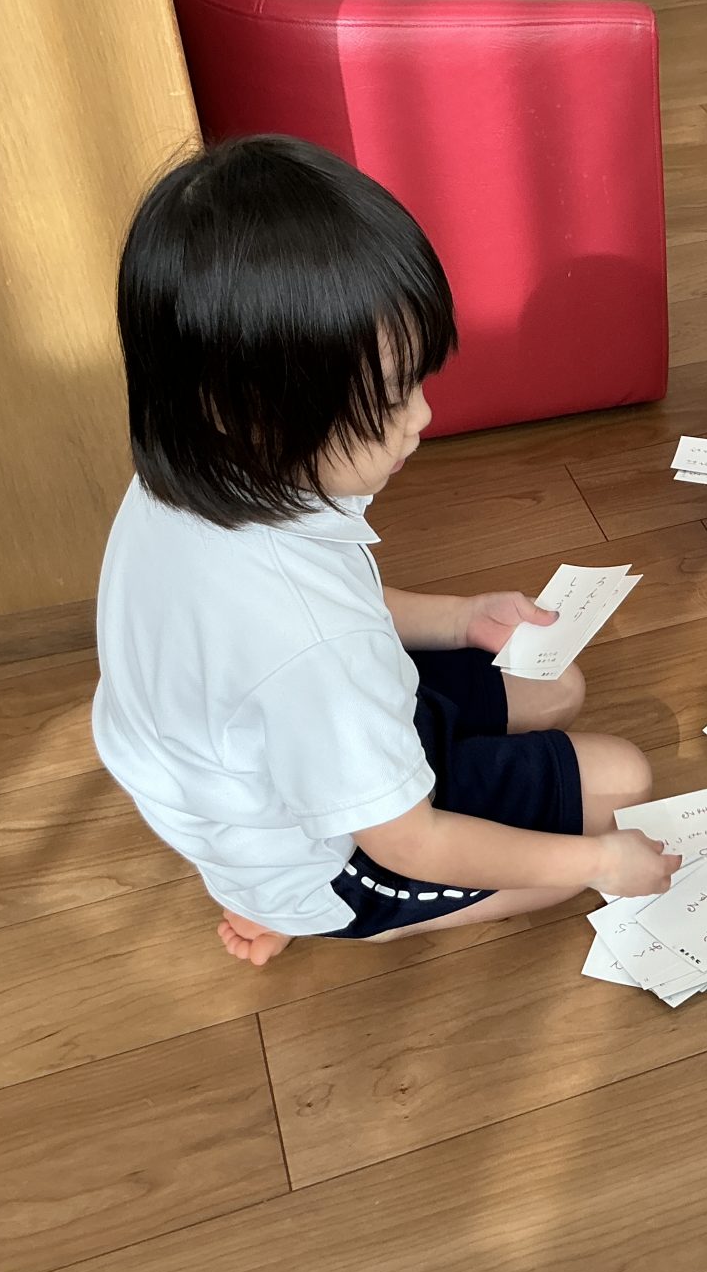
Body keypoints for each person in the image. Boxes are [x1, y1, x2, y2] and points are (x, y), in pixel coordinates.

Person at [92, 135, 675, 967]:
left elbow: (334, 605)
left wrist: (462, 617)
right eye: (390, 400)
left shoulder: (195, 467)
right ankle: (318, 916)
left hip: (297, 756)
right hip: (335, 856)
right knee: (622, 788)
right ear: (249, 410)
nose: (422, 418)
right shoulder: (307, 644)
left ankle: (282, 885)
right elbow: (411, 840)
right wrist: (599, 866)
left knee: (559, 684)